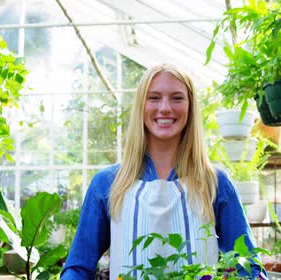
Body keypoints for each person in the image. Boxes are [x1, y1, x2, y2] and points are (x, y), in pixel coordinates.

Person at [60, 64, 266, 279]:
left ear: (190, 107)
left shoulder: (215, 182)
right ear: (141, 106)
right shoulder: (107, 183)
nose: (165, 108)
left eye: (177, 98)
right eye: (154, 98)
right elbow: (78, 267)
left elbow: (249, 266)